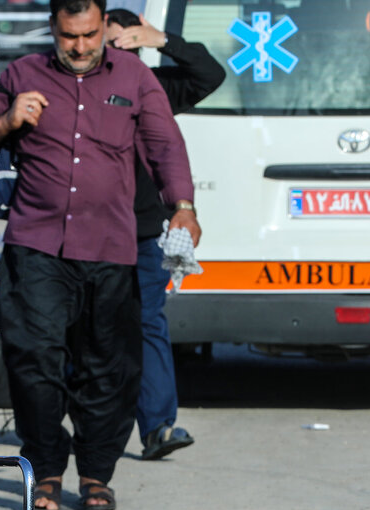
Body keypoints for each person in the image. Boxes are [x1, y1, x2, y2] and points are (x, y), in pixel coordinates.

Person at [0, 0, 199, 510]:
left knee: (108, 366)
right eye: (71, 36)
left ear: (102, 27)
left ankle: (95, 471)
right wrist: (8, 118)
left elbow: (165, 145)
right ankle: (45, 466)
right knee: (33, 360)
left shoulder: (134, 77)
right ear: (54, 30)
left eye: (91, 35)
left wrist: (183, 207)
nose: (82, 47)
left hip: (112, 246)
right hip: (36, 244)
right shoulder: (23, 73)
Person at [105, 7, 222, 460]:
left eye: (125, 44)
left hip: (140, 230)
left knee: (149, 322)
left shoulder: (150, 87)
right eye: (108, 44)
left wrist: (160, 39)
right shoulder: (74, 87)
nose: (116, 53)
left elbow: (209, 74)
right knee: (86, 330)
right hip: (84, 233)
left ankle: (158, 428)